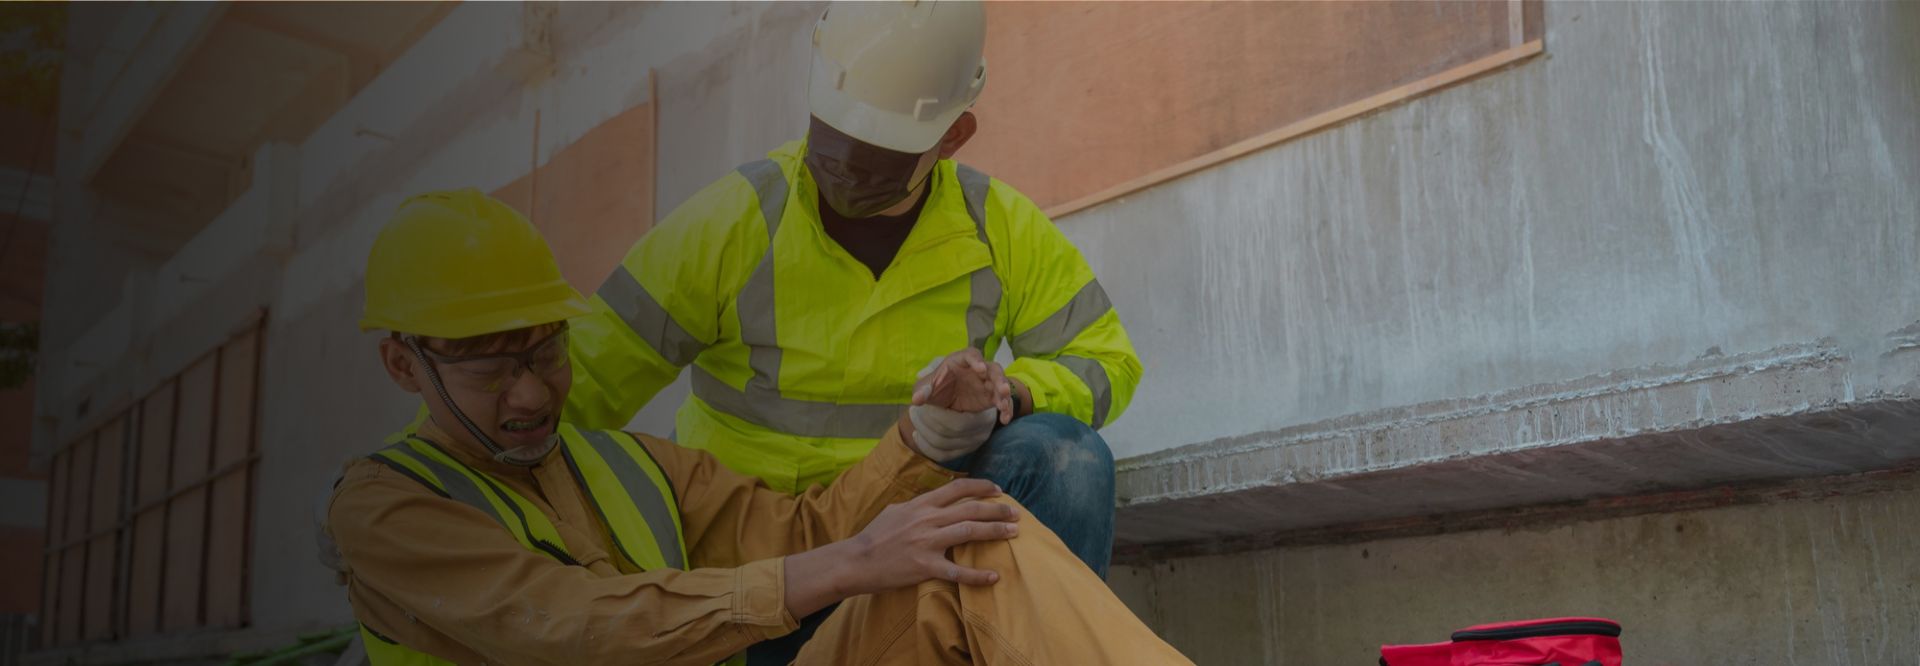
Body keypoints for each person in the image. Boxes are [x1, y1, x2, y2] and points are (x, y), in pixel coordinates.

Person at [327, 190, 1191, 665]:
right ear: (404, 366)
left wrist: (923, 441)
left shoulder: (625, 465)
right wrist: (845, 565)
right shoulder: (384, 507)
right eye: (489, 367)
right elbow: (574, 625)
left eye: (547, 354)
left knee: (976, 540)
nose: (529, 394)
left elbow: (803, 529)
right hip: (758, 637)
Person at [568, 0, 1139, 593]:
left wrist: (1012, 394)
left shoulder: (999, 228)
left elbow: (1106, 361)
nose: (841, 167)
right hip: (762, 564)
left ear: (953, 136)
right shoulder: (732, 223)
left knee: (1068, 458)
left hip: (918, 544)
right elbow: (579, 377)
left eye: (877, 153)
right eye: (831, 135)